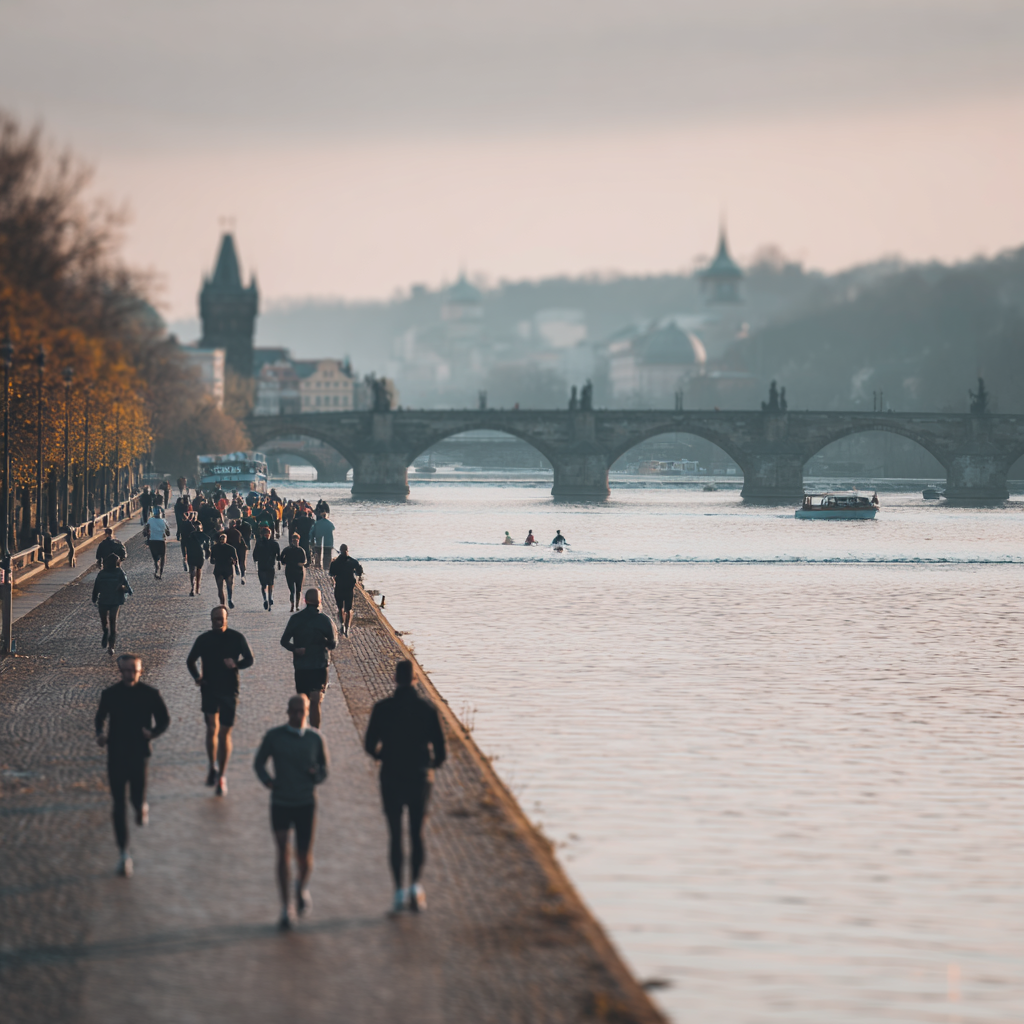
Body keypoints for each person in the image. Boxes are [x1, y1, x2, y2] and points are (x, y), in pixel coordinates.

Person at [364, 660, 446, 913]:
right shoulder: (427, 709)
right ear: (415, 680)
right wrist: (430, 765)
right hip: (419, 777)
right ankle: (415, 887)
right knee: (417, 833)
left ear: (394, 679)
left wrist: (381, 755)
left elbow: (369, 744)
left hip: (391, 775)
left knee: (396, 834)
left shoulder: (382, 708)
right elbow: (441, 752)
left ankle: (399, 891)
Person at [254, 694, 329, 929]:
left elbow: (324, 770)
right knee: (283, 853)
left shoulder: (315, 739)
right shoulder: (274, 737)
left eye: (301, 711)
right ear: (287, 712)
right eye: (293, 711)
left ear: (307, 712)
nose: (297, 715)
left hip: (306, 803)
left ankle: (301, 887)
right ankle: (286, 907)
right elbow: (258, 763)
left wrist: (315, 775)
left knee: (304, 856)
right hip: (281, 803)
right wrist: (268, 781)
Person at [95, 654, 170, 878]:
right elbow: (100, 718)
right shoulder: (110, 694)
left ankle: (140, 807)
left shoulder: (150, 694)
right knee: (118, 805)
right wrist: (100, 734)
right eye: (125, 670)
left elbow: (164, 719)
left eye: (133, 670)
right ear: (120, 671)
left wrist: (153, 733)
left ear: (140, 671)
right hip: (116, 755)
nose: (129, 674)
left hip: (139, 754)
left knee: (136, 798)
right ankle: (123, 853)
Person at [186, 606, 254, 796]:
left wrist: (236, 664)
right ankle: (212, 766)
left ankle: (222, 776)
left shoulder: (237, 637)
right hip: (209, 688)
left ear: (226, 619)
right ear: (211, 620)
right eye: (214, 619)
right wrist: (197, 677)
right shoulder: (203, 639)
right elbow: (190, 661)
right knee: (211, 729)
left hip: (229, 690)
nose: (217, 622)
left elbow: (249, 659)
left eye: (220, 619)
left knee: (224, 733)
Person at [280, 588, 338, 728]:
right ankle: (314, 731)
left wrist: (295, 649)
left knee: (303, 700)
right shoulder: (325, 620)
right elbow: (333, 644)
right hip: (320, 665)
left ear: (305, 601)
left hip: (302, 666)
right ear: (320, 601)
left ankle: (301, 730)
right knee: (316, 699)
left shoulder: (295, 619)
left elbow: (284, 641)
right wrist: (324, 643)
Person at [92, 553, 133, 655]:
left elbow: (96, 588)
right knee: (111, 622)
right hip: (113, 600)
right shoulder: (118, 573)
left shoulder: (103, 573)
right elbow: (128, 589)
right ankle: (109, 641)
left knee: (108, 621)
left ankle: (110, 644)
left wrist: (94, 598)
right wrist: (123, 588)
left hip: (106, 601)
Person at [328, 544, 363, 637]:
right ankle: (347, 627)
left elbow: (331, 573)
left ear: (340, 551)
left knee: (340, 608)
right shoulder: (353, 561)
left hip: (339, 586)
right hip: (349, 587)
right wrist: (356, 573)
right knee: (348, 609)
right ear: (347, 550)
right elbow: (359, 572)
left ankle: (343, 625)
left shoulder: (335, 562)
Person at [253, 526, 281, 611]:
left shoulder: (273, 543)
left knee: (270, 583)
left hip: (269, 566)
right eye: (265, 534)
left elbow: (278, 555)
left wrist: (279, 561)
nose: (267, 535)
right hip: (263, 566)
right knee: (264, 584)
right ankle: (266, 599)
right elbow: (255, 554)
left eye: (268, 534)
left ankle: (270, 598)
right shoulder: (260, 543)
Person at [209, 532, 239, 608]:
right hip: (228, 569)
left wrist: (216, 560)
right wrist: (236, 567)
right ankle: (229, 599)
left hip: (219, 569)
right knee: (229, 586)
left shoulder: (214, 548)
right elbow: (235, 560)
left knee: (220, 588)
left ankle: (222, 604)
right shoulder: (231, 548)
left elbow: (211, 561)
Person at [279, 533, 307, 612]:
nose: (295, 542)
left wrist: (285, 562)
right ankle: (294, 605)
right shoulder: (295, 550)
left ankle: (295, 605)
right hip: (294, 571)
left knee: (296, 590)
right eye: (294, 540)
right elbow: (281, 558)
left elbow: (305, 560)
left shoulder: (296, 550)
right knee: (294, 590)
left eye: (296, 540)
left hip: (294, 571)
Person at [183, 523, 211, 596]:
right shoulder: (204, 536)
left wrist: (185, 555)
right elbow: (207, 545)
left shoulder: (190, 535)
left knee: (192, 571)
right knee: (199, 570)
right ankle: (197, 588)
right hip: (200, 555)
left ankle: (193, 587)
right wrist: (208, 553)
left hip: (191, 554)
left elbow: (185, 544)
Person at [143, 507, 170, 579]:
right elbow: (168, 533)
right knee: (162, 556)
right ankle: (161, 572)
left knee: (155, 557)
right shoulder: (164, 521)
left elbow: (145, 531)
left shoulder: (150, 520)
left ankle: (156, 566)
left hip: (152, 540)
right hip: (161, 541)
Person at [225, 518, 249, 586]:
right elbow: (241, 541)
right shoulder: (236, 532)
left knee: (236, 561)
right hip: (239, 548)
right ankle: (242, 574)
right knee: (241, 562)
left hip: (235, 548)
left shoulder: (228, 532)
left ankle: (239, 572)